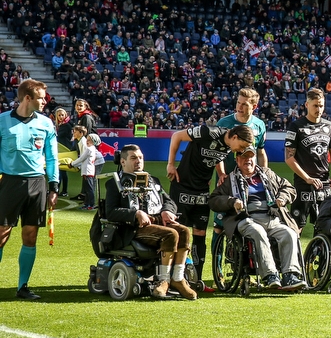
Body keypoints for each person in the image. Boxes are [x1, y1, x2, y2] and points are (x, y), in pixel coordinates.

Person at [208, 146, 306, 291]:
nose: (248, 160)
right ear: (237, 160)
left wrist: (282, 198)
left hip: (271, 217)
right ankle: (270, 275)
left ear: (255, 158)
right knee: (258, 231)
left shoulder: (267, 174)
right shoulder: (230, 180)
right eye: (243, 157)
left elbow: (289, 188)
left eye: (250, 157)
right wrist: (232, 201)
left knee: (289, 233)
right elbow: (214, 200)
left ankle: (290, 274)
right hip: (245, 218)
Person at [166, 123, 255, 282]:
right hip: (182, 186)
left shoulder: (229, 146)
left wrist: (221, 173)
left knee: (200, 233)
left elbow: (217, 156)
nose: (241, 151)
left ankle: (196, 280)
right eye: (241, 146)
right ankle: (173, 278)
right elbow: (177, 136)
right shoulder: (208, 131)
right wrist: (171, 164)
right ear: (234, 137)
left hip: (202, 190)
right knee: (179, 232)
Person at [105, 145, 196, 300]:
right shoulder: (115, 183)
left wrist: (167, 210)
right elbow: (111, 212)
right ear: (123, 161)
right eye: (133, 158)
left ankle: (178, 278)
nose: (138, 161)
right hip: (133, 229)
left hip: (157, 223)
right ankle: (163, 281)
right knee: (171, 234)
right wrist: (135, 214)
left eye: (140, 158)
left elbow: (169, 202)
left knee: (184, 231)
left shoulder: (153, 181)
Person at [0, 80, 59, 300]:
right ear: (27, 98)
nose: (45, 101)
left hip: (37, 184)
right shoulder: (2, 122)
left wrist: (54, 186)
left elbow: (52, 157)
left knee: (30, 235)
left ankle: (22, 286)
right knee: (1, 234)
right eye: (41, 98)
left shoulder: (46, 124)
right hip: (9, 182)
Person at [285, 88, 331, 234]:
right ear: (307, 105)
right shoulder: (296, 126)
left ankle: (321, 256)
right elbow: (289, 158)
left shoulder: (329, 126)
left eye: (321, 105)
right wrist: (307, 178)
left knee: (324, 225)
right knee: (296, 227)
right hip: (303, 184)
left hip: (324, 184)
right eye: (315, 105)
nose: (319, 109)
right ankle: (293, 256)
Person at [68, 125, 97, 210]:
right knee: (87, 188)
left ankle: (90, 204)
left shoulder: (85, 143)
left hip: (88, 168)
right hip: (87, 167)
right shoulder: (82, 142)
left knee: (89, 188)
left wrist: (73, 164)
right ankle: (87, 203)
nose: (74, 133)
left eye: (75, 131)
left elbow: (82, 157)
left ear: (81, 133)